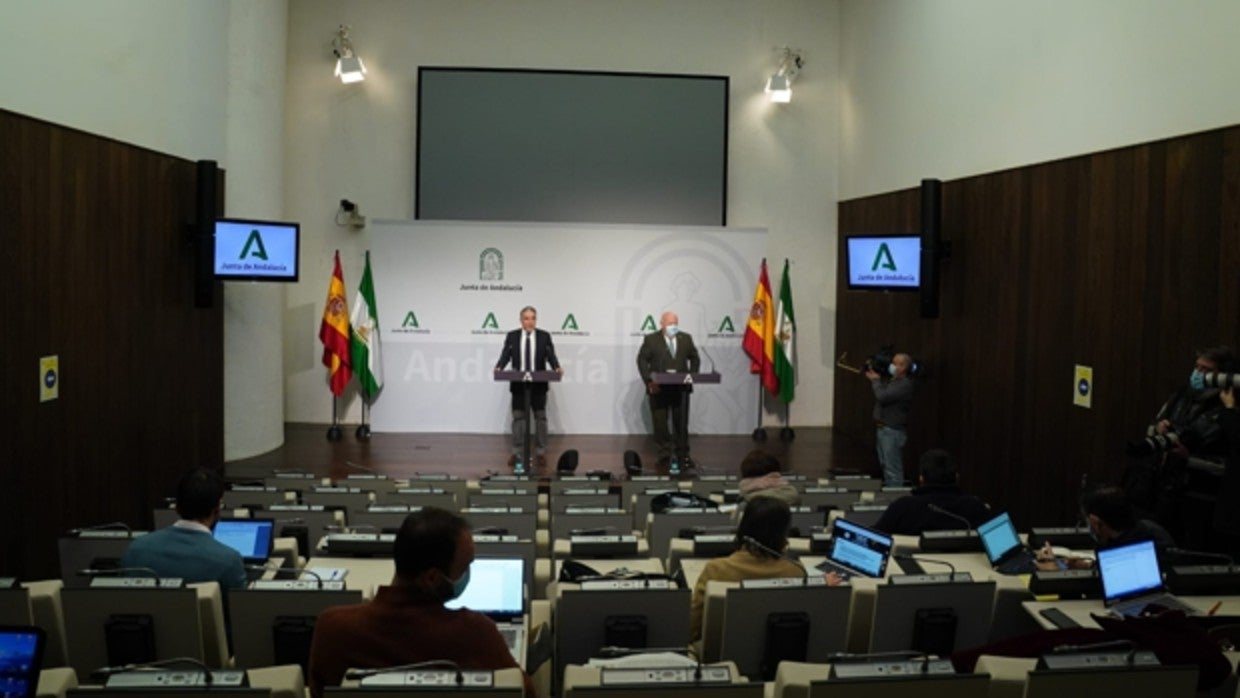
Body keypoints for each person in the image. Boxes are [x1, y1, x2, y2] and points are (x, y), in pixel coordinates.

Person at [307, 508, 533, 698]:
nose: (469, 574)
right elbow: (526, 693)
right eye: (466, 567)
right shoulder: (476, 634)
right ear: (433, 578)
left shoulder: (332, 628)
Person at [689, 498, 840, 643]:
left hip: (720, 655)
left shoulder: (715, 570)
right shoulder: (795, 572)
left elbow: (692, 629)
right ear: (783, 533)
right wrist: (820, 585)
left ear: (743, 527)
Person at [120, 467, 246, 590]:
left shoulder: (136, 549)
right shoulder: (229, 561)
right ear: (217, 510)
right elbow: (240, 609)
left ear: (177, 507)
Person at [494, 306, 562, 469]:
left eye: (533, 318)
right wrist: (499, 367)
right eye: (526, 318)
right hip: (519, 386)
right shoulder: (512, 336)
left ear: (536, 320)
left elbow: (550, 355)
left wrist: (556, 367)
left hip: (538, 386)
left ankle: (540, 452)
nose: (530, 321)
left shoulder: (544, 336)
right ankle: (517, 451)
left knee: (540, 419)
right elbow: (506, 355)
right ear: (521, 320)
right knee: (519, 419)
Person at [636, 311, 701, 470]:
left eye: (675, 323)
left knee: (681, 423)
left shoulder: (685, 338)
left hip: (681, 389)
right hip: (658, 389)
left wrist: (692, 375)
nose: (673, 327)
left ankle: (683, 454)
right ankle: (664, 455)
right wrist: (649, 381)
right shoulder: (651, 339)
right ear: (662, 323)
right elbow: (642, 360)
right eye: (670, 323)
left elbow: (695, 357)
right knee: (660, 424)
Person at [873, 449, 991, 536]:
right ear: (957, 477)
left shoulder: (903, 507)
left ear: (921, 479)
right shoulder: (974, 506)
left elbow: (874, 539)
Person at [865, 352, 914, 486]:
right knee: (885, 465)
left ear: (903, 367)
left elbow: (883, 397)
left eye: (895, 363)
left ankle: (896, 498)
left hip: (892, 431)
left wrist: (875, 380)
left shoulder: (904, 384)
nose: (891, 366)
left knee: (893, 469)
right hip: (883, 429)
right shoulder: (893, 381)